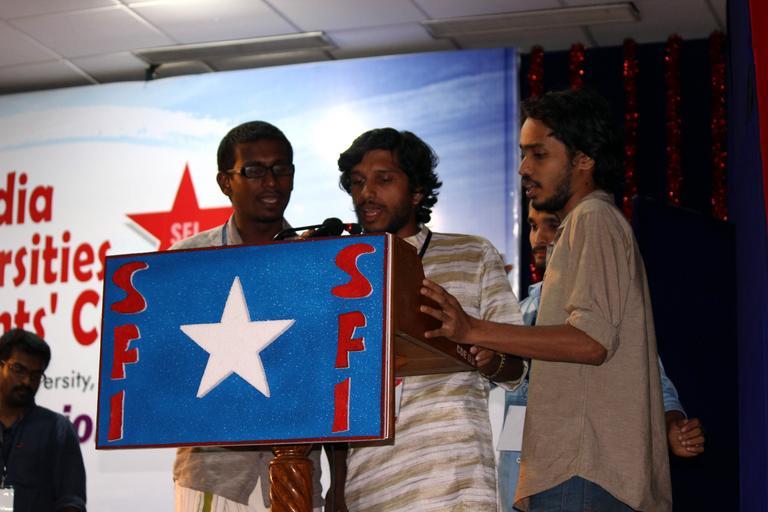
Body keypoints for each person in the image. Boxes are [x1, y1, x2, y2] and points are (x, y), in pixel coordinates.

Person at [420, 88, 673, 511]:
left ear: (584, 159)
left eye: (539, 154)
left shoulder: (592, 219)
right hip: (579, 469)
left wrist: (473, 328)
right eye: (523, 154)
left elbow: (590, 342)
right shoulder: (587, 222)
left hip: (584, 469)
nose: (524, 168)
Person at [336, 127, 526, 511]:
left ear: (417, 191)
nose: (366, 193)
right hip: (371, 488)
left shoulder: (472, 253)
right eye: (357, 182)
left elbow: (517, 367)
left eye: (383, 180)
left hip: (456, 481)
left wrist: (489, 358)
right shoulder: (342, 269)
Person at [497, 203, 705, 511]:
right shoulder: (514, 314)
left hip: (581, 476)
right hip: (519, 482)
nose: (539, 238)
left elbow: (652, 381)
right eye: (532, 226)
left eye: (552, 226)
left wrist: (673, 424)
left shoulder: (606, 303)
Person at [171, 121, 323, 512]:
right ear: (226, 181)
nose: (271, 182)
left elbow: (332, 375)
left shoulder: (318, 262)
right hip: (214, 475)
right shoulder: (186, 263)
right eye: (254, 170)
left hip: (298, 475)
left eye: (281, 168)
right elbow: (165, 371)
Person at [0, 328, 86, 512]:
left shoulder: (58, 429)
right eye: (18, 370)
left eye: (36, 375)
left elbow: (71, 500)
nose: (26, 381)